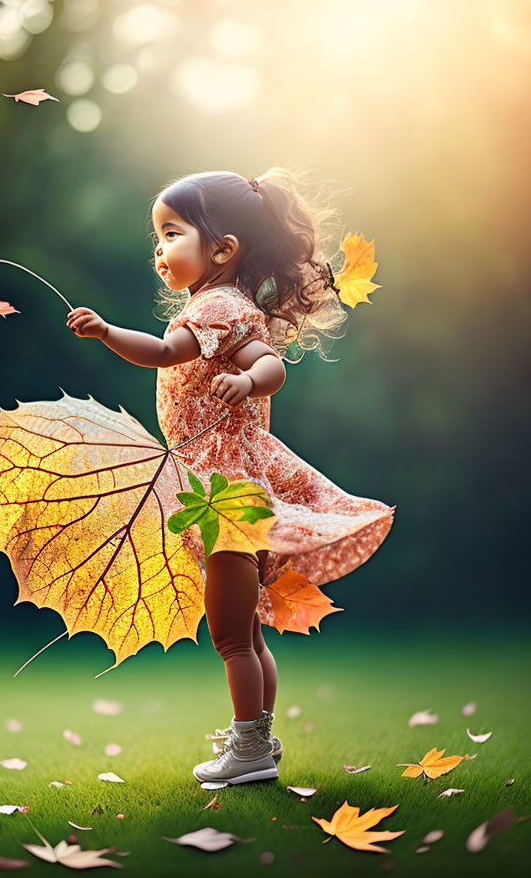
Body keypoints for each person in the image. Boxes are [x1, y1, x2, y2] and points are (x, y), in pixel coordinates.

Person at [66, 168, 396, 785]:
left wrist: (110, 333)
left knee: (232, 639)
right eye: (155, 237)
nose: (158, 249)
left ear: (222, 249)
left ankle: (248, 750)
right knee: (247, 636)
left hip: (225, 492)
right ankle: (257, 741)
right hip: (227, 485)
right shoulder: (219, 306)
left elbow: (254, 364)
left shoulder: (217, 306)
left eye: (170, 233)